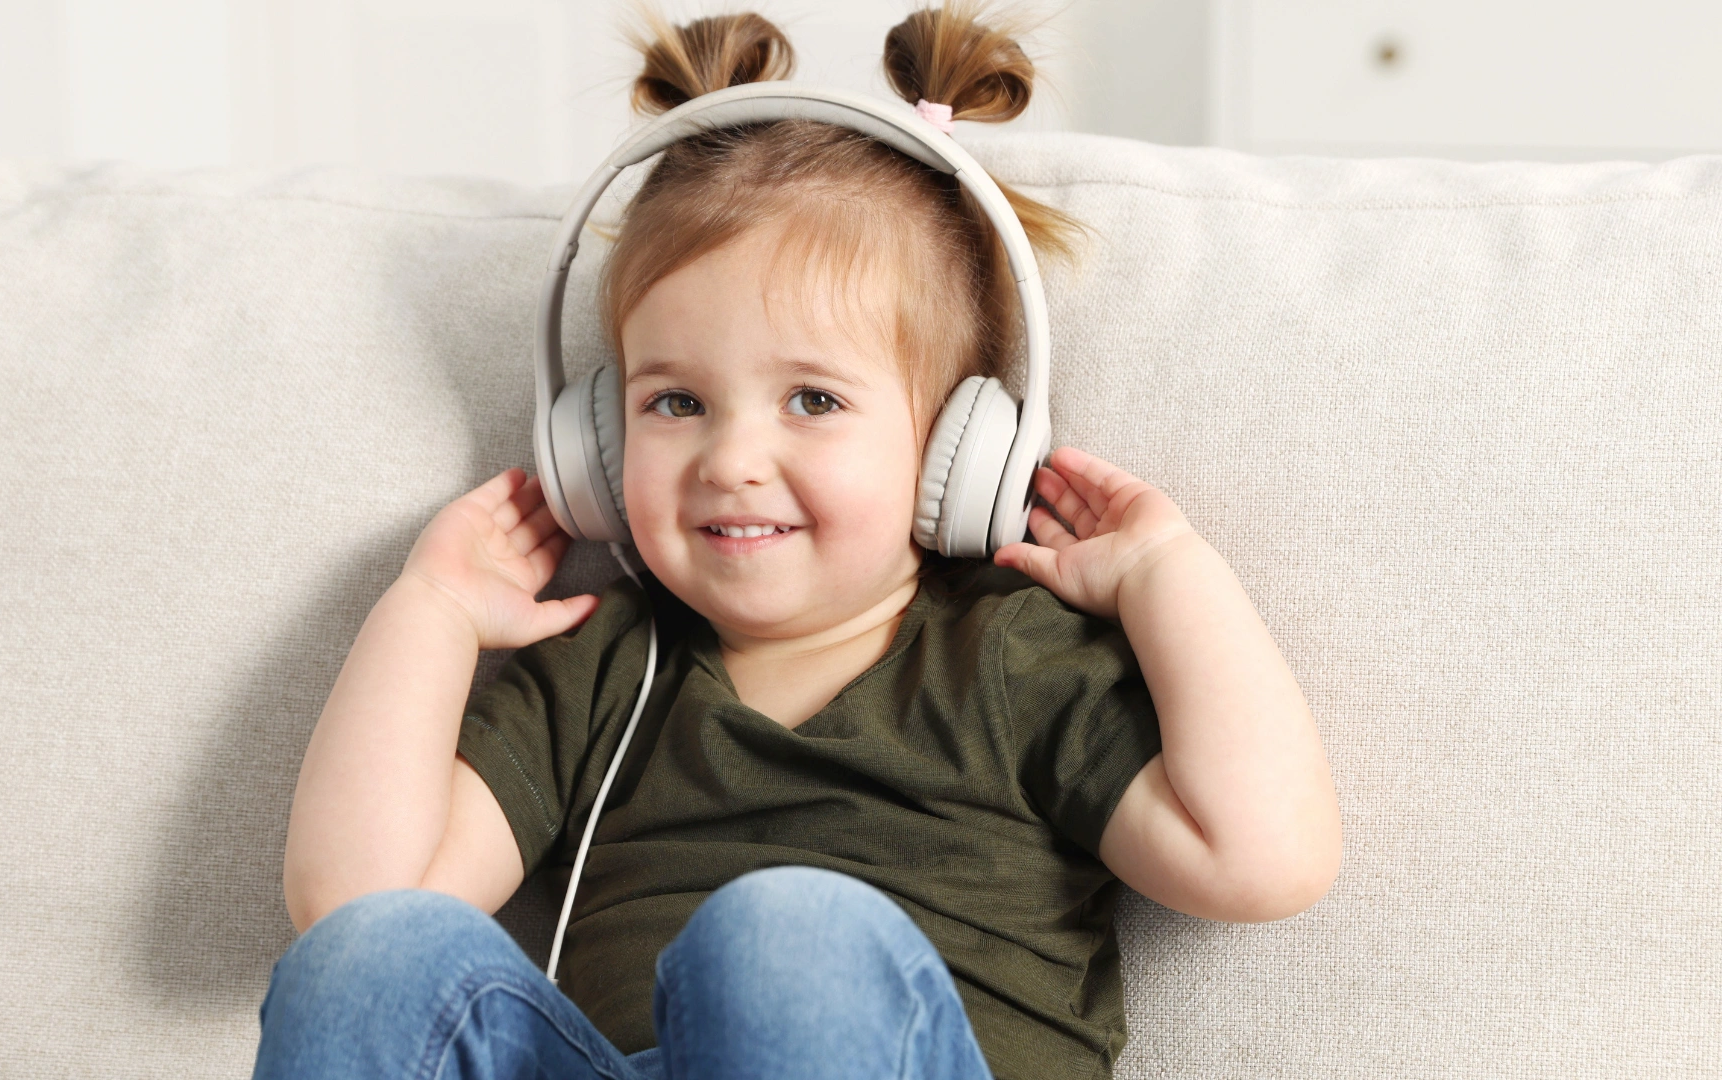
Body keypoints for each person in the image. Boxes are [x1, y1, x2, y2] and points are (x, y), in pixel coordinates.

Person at [258, 4, 1341, 1078]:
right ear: (592, 440)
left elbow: (1262, 860)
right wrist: (432, 615)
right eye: (675, 403)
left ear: (957, 452)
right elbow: (354, 895)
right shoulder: (604, 667)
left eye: (813, 401)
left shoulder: (1008, 657)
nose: (731, 458)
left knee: (780, 941)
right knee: (368, 959)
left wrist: (1164, 576)